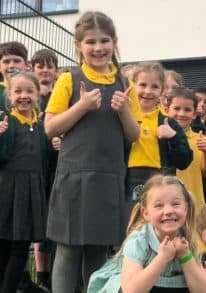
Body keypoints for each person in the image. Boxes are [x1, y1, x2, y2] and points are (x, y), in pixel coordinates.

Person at [44, 11, 142, 292]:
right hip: (74, 177)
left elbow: (133, 134)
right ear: (78, 45)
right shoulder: (69, 79)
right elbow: (50, 127)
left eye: (104, 41)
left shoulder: (125, 84)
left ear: (114, 42)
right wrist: (82, 106)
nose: (98, 48)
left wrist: (124, 109)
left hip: (109, 177)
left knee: (99, 253)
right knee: (68, 251)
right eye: (91, 42)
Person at [88, 174, 206, 293]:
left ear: (186, 208)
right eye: (159, 205)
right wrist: (162, 258)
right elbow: (131, 291)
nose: (168, 211)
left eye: (175, 204)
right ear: (146, 213)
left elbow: (202, 290)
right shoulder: (138, 240)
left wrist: (186, 256)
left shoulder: (189, 238)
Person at [0, 71, 49, 293]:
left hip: (31, 190)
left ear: (38, 94)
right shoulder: (5, 121)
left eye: (29, 91)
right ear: (9, 96)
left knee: (21, 247)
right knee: (3, 245)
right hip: (5, 190)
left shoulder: (41, 127)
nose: (24, 96)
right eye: (18, 91)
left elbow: (46, 159)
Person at [0, 41, 29, 293]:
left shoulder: (31, 93)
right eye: (7, 61)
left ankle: (17, 280)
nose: (12, 66)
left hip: (22, 173)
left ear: (26, 64)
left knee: (17, 232)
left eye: (16, 61)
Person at [126, 62, 193, 204]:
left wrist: (174, 137)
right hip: (127, 180)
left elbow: (184, 161)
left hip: (160, 180)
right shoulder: (123, 116)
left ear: (162, 91)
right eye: (143, 85)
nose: (148, 91)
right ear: (132, 86)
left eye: (154, 86)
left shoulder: (168, 122)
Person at [31, 48, 60, 292]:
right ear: (33, 68)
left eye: (49, 65)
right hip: (35, 164)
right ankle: (41, 275)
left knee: (53, 221)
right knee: (40, 224)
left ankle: (52, 274)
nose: (45, 70)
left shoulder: (59, 95)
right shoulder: (28, 94)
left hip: (57, 163)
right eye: (40, 65)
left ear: (56, 70)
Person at [165, 87, 206, 211]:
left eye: (187, 110)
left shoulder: (200, 139)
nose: (181, 114)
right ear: (166, 110)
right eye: (176, 108)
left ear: (194, 114)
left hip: (193, 206)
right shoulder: (160, 135)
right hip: (165, 204)